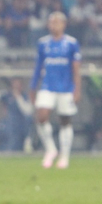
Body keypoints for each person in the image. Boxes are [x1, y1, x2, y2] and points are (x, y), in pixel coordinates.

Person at [30, 12, 81, 169]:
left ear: (64, 25)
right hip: (48, 86)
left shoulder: (71, 44)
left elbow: (76, 68)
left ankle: (64, 156)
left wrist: (77, 89)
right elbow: (39, 66)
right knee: (41, 115)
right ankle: (51, 149)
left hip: (65, 88)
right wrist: (33, 86)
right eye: (51, 22)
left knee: (65, 121)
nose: (54, 25)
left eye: (57, 22)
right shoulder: (43, 44)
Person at [0, 72, 33, 152]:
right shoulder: (6, 94)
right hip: (8, 125)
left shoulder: (24, 97)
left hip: (21, 127)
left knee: (18, 148)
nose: (16, 86)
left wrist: (18, 97)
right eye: (15, 84)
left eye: (18, 84)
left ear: (22, 85)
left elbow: (28, 111)